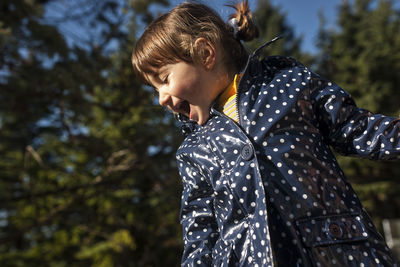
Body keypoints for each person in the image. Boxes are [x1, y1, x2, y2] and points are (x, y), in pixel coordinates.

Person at [131, 1, 399, 266]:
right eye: (155, 89)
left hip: (331, 251)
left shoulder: (287, 84)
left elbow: (356, 128)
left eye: (164, 80)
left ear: (204, 53)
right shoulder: (193, 150)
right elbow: (200, 229)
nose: (161, 99)